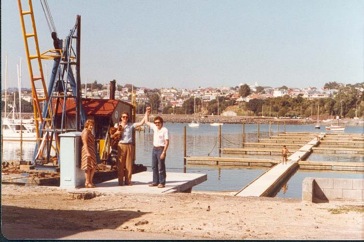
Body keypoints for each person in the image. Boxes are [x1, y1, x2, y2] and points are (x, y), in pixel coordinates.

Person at [111, 110, 148, 186]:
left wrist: (147, 113)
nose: (125, 118)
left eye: (126, 117)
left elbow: (141, 123)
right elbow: (111, 136)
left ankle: (128, 181)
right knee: (120, 164)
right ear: (121, 118)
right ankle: (120, 181)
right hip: (121, 145)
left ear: (128, 118)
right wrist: (117, 133)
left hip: (129, 145)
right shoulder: (117, 125)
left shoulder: (131, 125)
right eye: (123, 117)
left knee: (129, 164)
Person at [145, 108, 169, 188]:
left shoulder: (164, 130)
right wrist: (147, 113)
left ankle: (162, 182)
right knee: (154, 166)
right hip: (154, 149)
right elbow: (146, 122)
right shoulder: (155, 128)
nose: (157, 124)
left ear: (162, 123)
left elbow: (167, 142)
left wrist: (164, 152)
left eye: (158, 123)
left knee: (161, 166)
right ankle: (155, 181)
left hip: (161, 149)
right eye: (155, 123)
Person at [81, 119, 97, 188]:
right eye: (90, 125)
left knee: (93, 166)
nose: (91, 127)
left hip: (91, 150)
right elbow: (85, 143)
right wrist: (87, 153)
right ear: (87, 125)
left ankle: (90, 181)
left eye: (92, 125)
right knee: (87, 167)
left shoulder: (90, 132)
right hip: (87, 150)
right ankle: (87, 182)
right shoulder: (85, 132)